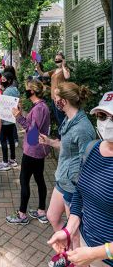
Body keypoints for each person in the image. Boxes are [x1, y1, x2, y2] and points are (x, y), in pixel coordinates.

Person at [48, 91, 113, 267]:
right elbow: (80, 192)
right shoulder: (92, 149)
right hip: (87, 246)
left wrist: (95, 253)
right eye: (102, 116)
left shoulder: (82, 128)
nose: (107, 123)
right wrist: (69, 230)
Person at [39, 82, 96, 250]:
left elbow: (86, 162)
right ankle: (67, 252)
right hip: (62, 180)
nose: (53, 99)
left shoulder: (83, 128)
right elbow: (67, 146)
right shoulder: (69, 119)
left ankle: (74, 259)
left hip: (73, 186)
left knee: (74, 231)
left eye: (56, 97)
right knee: (52, 216)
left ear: (63, 101)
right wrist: (50, 142)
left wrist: (77, 186)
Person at [6, 79, 50, 225]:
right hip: (39, 150)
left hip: (32, 149)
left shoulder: (38, 108)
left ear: (31, 91)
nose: (25, 91)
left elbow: (32, 131)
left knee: (24, 180)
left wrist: (18, 116)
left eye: (26, 89)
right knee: (39, 179)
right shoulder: (42, 106)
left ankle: (22, 214)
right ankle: (41, 211)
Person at [36, 51, 70, 127]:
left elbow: (67, 77)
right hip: (53, 98)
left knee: (61, 118)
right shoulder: (54, 71)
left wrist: (64, 66)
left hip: (60, 98)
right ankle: (61, 135)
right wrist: (38, 67)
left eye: (59, 59)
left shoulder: (65, 70)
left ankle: (63, 136)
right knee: (58, 118)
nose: (57, 60)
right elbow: (42, 74)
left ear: (63, 60)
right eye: (56, 59)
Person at [0, 72, 20, 171]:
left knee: (3, 140)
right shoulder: (15, 89)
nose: (2, 81)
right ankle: (13, 160)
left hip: (5, 120)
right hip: (12, 119)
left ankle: (5, 162)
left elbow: (3, 107)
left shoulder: (6, 92)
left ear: (9, 80)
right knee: (11, 139)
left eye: (4, 79)